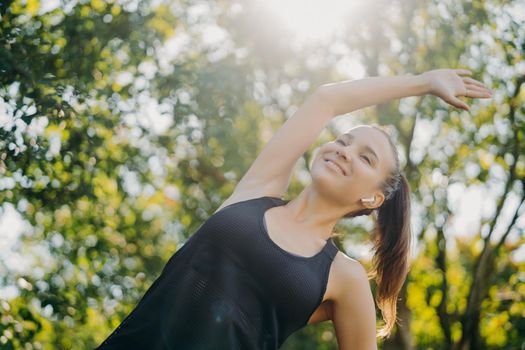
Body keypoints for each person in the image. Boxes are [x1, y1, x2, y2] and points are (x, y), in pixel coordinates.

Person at [96, 68, 492, 350]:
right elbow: (326, 99)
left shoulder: (344, 277)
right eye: (344, 140)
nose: (344, 150)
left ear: (373, 199)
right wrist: (422, 82)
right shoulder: (257, 191)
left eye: (366, 157)